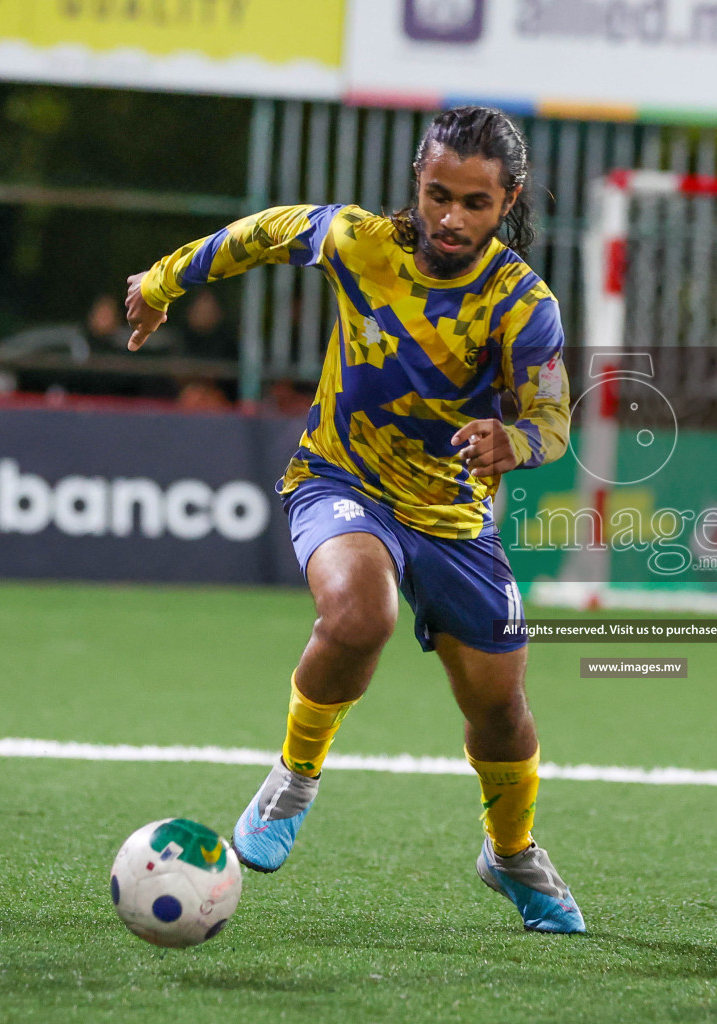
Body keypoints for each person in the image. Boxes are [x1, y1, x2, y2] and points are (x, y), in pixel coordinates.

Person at [124, 106, 582, 934]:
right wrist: (161, 282)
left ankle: (510, 853)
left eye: (475, 203)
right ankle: (295, 777)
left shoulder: (522, 303)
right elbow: (264, 233)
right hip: (343, 479)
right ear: (417, 180)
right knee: (357, 614)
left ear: (508, 200)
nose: (450, 217)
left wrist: (511, 438)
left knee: (500, 710)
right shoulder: (358, 242)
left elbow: (554, 420)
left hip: (451, 516)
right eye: (438, 194)